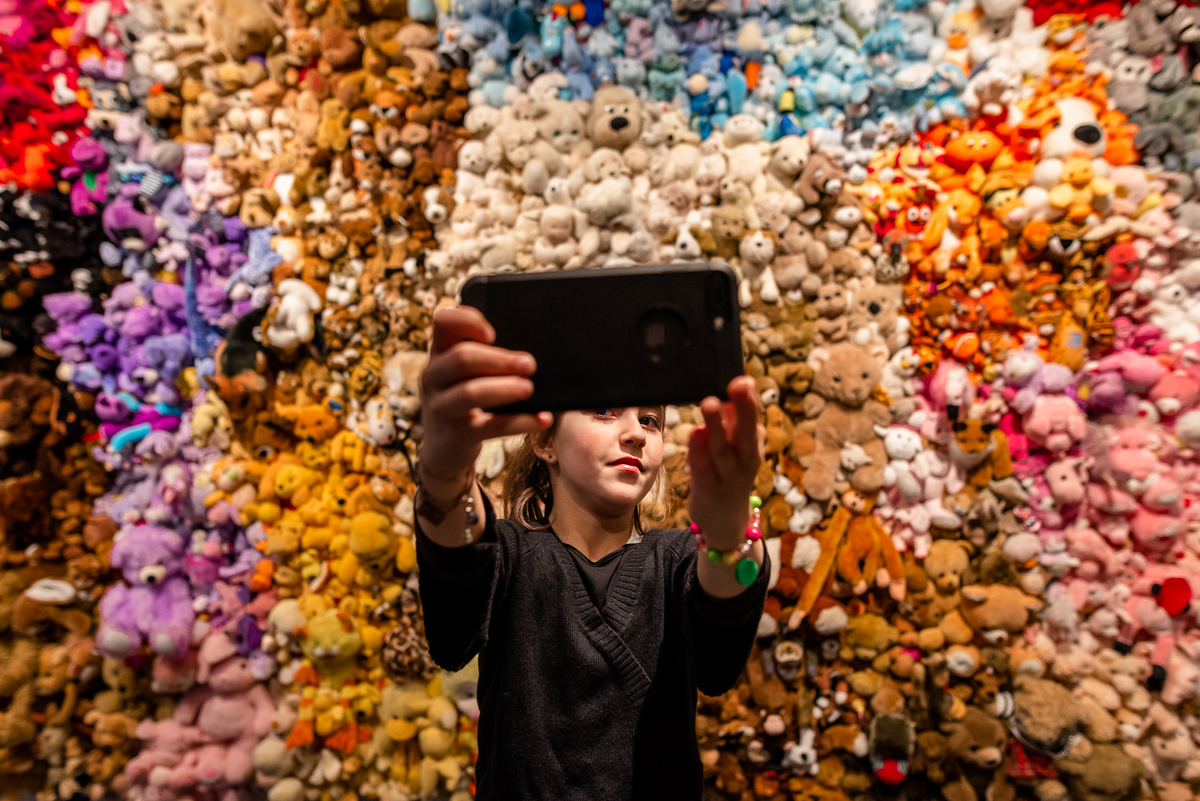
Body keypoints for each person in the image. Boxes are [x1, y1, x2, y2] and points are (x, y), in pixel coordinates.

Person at [413, 305, 771, 800]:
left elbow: (721, 632)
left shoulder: (676, 560)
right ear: (545, 441)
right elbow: (457, 553)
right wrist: (444, 470)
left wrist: (729, 528)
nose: (635, 434)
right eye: (603, 410)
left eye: (650, 419)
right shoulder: (512, 557)